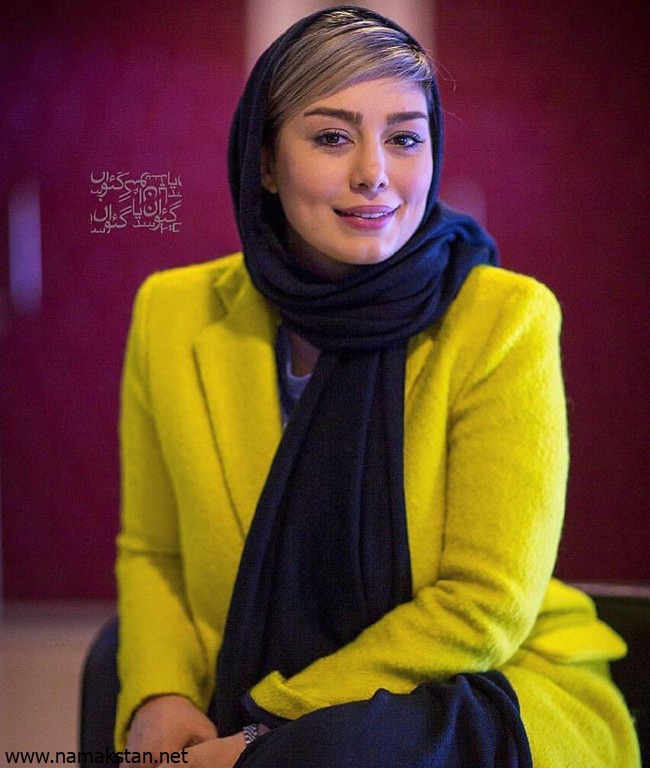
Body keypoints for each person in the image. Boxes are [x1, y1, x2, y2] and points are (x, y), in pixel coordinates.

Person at [114, 6, 640, 767]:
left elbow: (483, 608)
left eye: (404, 137)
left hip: (476, 682)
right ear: (266, 163)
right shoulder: (172, 313)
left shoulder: (505, 319)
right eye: (332, 138)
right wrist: (159, 695)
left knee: (332, 754)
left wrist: (268, 729)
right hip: (255, 668)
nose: (374, 173)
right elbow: (154, 551)